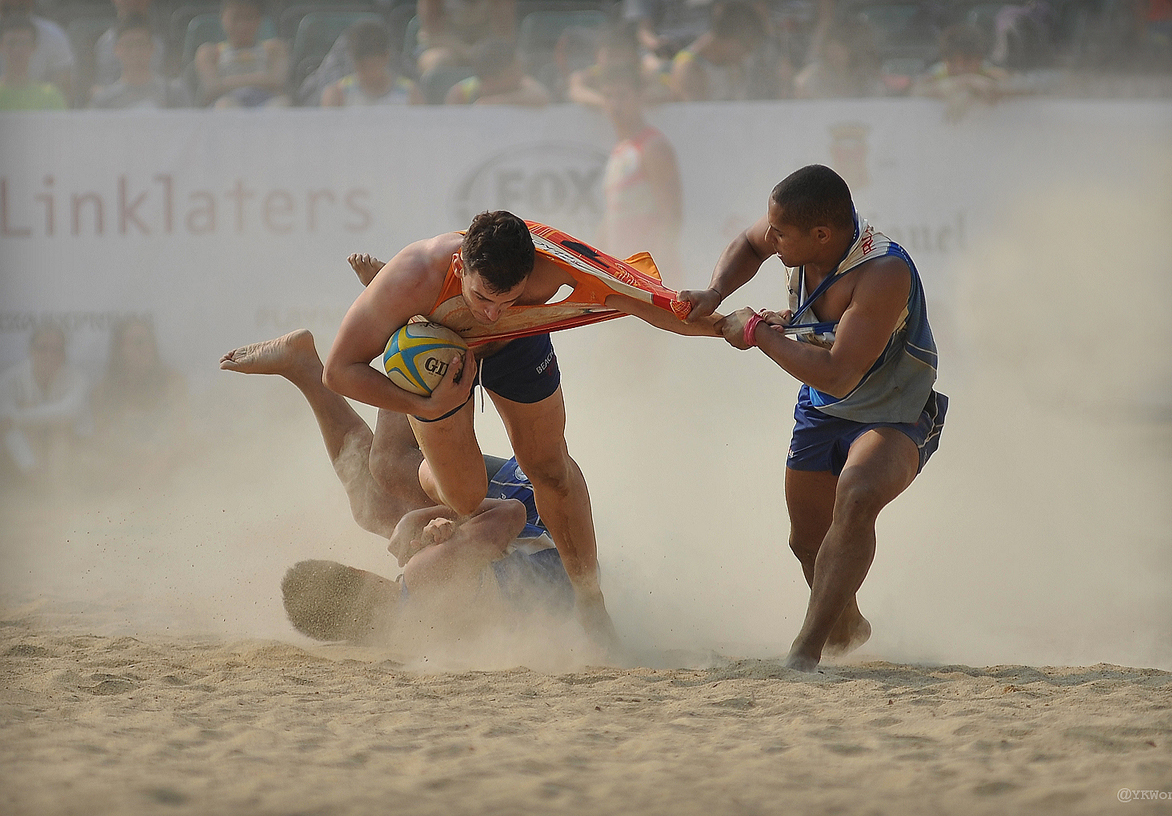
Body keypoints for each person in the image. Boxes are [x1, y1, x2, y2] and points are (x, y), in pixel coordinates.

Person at [322, 211, 721, 654]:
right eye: (482, 297)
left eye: (507, 298)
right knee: (463, 497)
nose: (492, 313)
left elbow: (649, 303)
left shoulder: (556, 266)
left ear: (528, 275)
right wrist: (422, 405)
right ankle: (400, 326)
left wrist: (733, 328)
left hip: (516, 342)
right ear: (460, 267)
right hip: (441, 352)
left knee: (549, 469)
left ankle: (591, 604)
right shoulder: (416, 271)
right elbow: (338, 372)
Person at [680, 165, 948, 672]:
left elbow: (839, 374)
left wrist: (759, 332)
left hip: (894, 409)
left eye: (780, 233)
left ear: (822, 236)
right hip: (822, 410)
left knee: (859, 494)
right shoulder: (799, 235)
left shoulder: (883, 271)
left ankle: (804, 652)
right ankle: (846, 625)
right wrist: (716, 293)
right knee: (806, 539)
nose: (770, 237)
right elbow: (747, 242)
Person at [218, 328, 575, 647]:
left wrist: (451, 534)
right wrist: (430, 517)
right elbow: (513, 514)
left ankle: (305, 368)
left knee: (370, 506)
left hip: (557, 575)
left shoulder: (404, 636)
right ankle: (411, 332)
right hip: (550, 521)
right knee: (388, 465)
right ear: (359, 574)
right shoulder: (425, 575)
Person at [596, 62, 683, 283]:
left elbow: (671, 213)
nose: (615, 105)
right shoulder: (621, 149)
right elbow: (612, 216)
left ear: (639, 97)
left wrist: (660, 268)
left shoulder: (652, 147)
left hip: (649, 272)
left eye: (622, 96)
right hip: (622, 268)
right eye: (608, 96)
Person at [87, 316, 190, 486]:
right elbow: (104, 440)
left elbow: (179, 435)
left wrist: (156, 467)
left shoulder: (173, 383)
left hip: (167, 470)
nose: (144, 349)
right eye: (136, 343)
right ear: (120, 349)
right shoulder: (103, 391)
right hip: (121, 471)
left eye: (146, 342)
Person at [0, 324, 90, 490]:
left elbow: (67, 414)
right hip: (25, 459)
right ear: (30, 350)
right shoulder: (8, 380)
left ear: (64, 354)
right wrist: (30, 467)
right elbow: (6, 426)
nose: (50, 355)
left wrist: (20, 416)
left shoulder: (77, 378)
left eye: (57, 349)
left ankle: (60, 497)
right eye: (42, 348)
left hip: (72, 449)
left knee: (60, 435)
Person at [669, 0, 773, 101]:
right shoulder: (688, 68)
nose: (747, 55)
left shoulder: (734, 65)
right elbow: (695, 116)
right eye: (747, 48)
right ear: (730, 39)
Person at [193, 0, 289, 108]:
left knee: (282, 104)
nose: (242, 25)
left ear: (259, 20)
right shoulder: (209, 52)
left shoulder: (274, 48)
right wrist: (262, 79)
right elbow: (212, 86)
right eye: (235, 18)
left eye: (249, 18)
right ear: (222, 19)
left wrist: (226, 83)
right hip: (226, 105)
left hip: (265, 103)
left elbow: (278, 81)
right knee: (225, 105)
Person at [911, 22, 1012, 121]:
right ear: (944, 60)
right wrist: (966, 82)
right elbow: (915, 91)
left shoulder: (989, 72)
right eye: (952, 61)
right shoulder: (936, 73)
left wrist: (976, 90)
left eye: (967, 60)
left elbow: (1012, 87)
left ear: (980, 59)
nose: (960, 67)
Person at [89, 13, 187, 109]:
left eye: (140, 44)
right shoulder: (103, 101)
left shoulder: (173, 94)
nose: (135, 52)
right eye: (129, 45)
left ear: (152, 48)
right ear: (117, 50)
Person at [321, 19, 420, 107]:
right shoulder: (337, 94)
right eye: (362, 66)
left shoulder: (410, 94)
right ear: (352, 59)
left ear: (386, 57)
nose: (368, 72)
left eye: (373, 65)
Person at [0, 0, 72, 103]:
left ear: (34, 47)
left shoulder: (51, 95)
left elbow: (65, 88)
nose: (17, 50)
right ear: (1, 46)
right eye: (12, 43)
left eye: (23, 43)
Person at [443, 37, 550, 106]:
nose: (519, 75)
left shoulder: (522, 82)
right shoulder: (460, 94)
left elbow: (542, 97)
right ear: (490, 79)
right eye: (513, 72)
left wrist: (494, 103)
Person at [93, 0, 166, 88]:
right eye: (129, 45)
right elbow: (103, 85)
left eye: (141, 44)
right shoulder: (105, 44)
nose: (132, 2)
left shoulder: (163, 41)